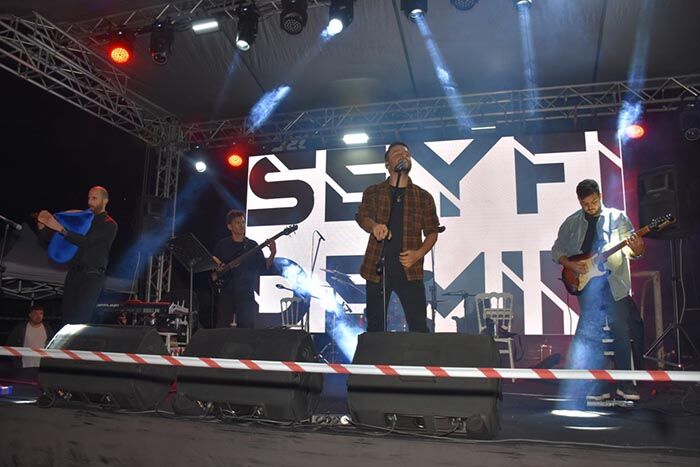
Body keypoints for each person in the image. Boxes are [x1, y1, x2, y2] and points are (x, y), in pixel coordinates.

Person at [552, 179, 645, 401]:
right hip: (587, 285)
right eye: (585, 204)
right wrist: (571, 264)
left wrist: (637, 248)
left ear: (600, 196)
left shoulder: (618, 218)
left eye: (593, 202)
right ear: (579, 201)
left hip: (614, 283)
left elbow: (631, 251)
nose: (590, 207)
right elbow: (557, 250)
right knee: (592, 334)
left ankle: (626, 385)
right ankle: (597, 387)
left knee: (621, 330)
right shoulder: (571, 223)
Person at [355, 142, 440, 333]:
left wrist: (418, 254)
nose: (403, 155)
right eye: (397, 153)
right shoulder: (373, 192)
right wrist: (374, 226)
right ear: (387, 164)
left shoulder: (423, 197)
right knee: (375, 328)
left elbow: (433, 231)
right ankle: (377, 354)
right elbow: (363, 217)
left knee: (419, 327)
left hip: (410, 269)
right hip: (378, 268)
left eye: (407, 153)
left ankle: (420, 354)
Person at [37, 186, 118, 325]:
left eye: (94, 198)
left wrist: (61, 229)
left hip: (92, 275)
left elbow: (87, 241)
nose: (90, 202)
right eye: (89, 198)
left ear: (105, 200)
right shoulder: (81, 218)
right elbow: (54, 240)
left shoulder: (109, 224)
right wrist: (43, 226)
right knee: (67, 317)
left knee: (80, 318)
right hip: (74, 273)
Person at [212, 209, 276, 328]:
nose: (242, 225)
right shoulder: (223, 245)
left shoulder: (252, 245)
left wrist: (272, 253)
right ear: (229, 226)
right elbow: (214, 261)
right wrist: (219, 267)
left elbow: (264, 267)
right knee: (222, 326)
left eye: (243, 222)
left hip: (246, 292)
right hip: (226, 291)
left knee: (247, 327)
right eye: (237, 223)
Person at [6, 305, 55, 370]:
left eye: (41, 313)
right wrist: (17, 362)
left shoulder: (48, 329)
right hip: (25, 366)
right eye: (35, 313)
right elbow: (10, 345)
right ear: (30, 315)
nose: (38, 316)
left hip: (43, 367)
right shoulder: (21, 328)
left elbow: (54, 346)